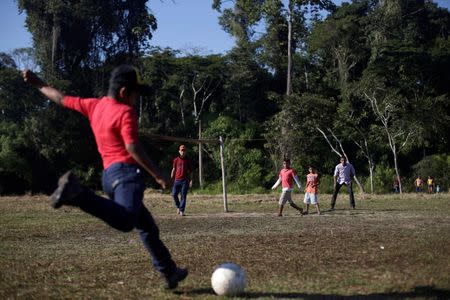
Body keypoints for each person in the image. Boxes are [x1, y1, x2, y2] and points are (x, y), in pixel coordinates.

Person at [22, 65, 188, 290]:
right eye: (135, 93)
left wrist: (38, 83)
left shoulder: (95, 105)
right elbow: (131, 146)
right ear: (123, 93)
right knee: (127, 220)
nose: (136, 98)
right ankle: (78, 194)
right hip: (127, 176)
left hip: (109, 177)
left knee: (147, 227)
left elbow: (60, 98)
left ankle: (169, 272)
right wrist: (158, 174)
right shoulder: (125, 112)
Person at [170, 144, 193, 216]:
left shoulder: (188, 160)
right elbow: (173, 169)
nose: (183, 152)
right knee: (174, 194)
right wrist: (171, 177)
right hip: (177, 180)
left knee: (183, 196)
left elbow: (191, 171)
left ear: (185, 151)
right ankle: (178, 206)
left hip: (184, 181)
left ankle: (182, 210)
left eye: (184, 150)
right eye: (181, 150)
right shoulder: (176, 160)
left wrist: (191, 180)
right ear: (179, 151)